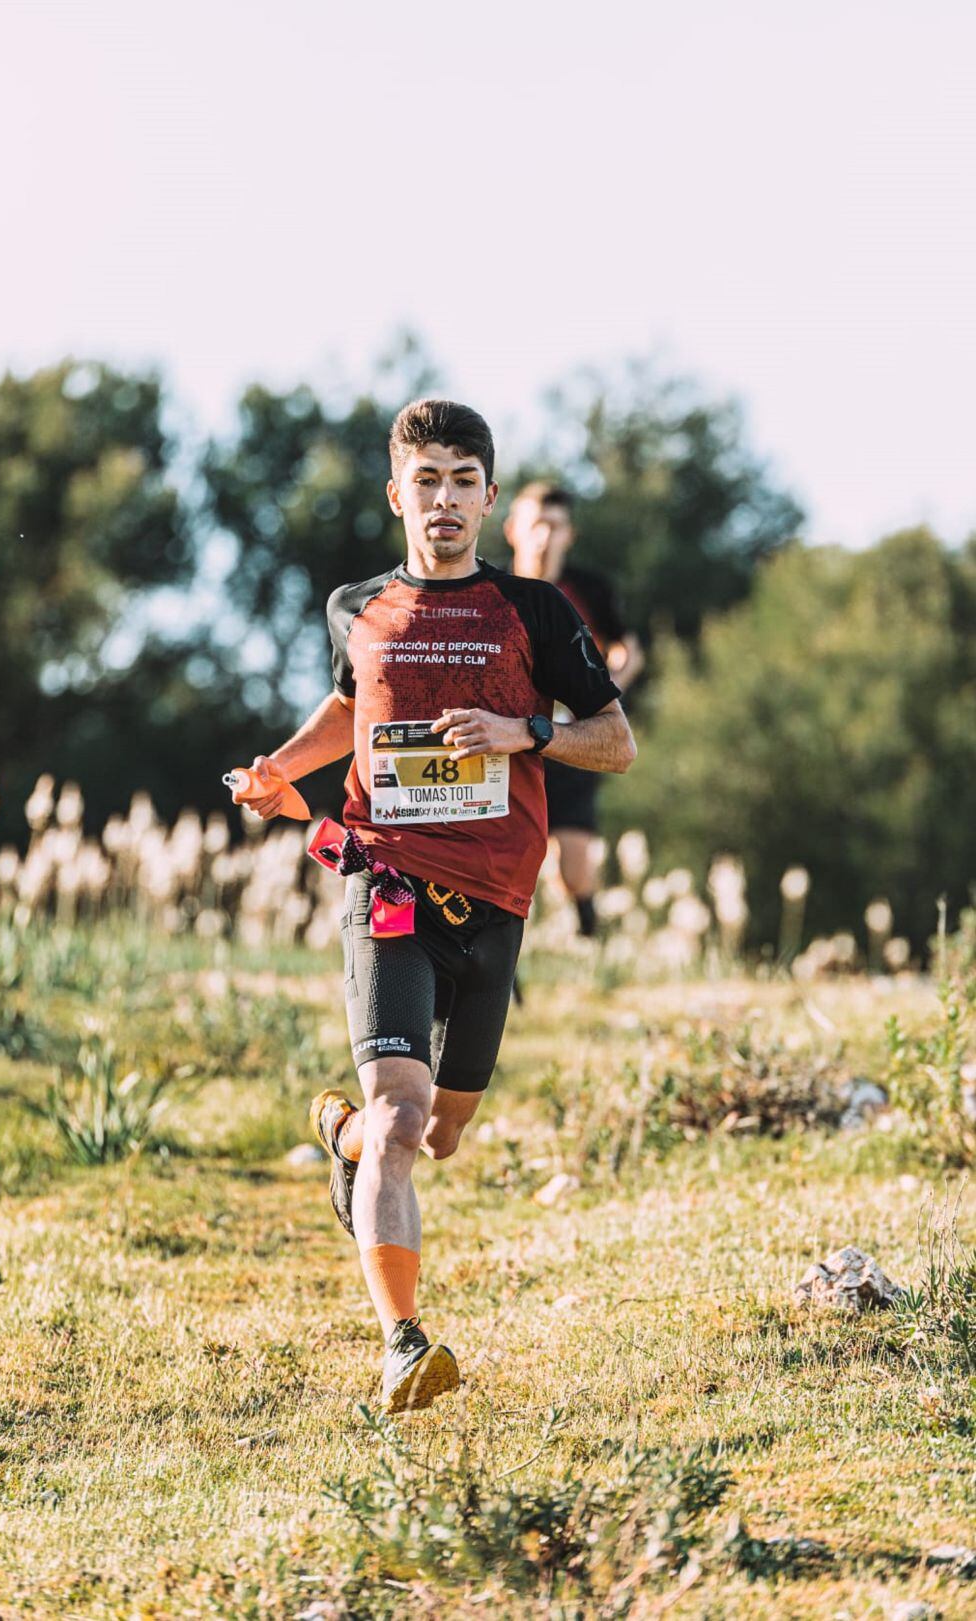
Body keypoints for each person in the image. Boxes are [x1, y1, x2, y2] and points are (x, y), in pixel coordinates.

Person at [241, 401, 636, 1413]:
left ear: (490, 497)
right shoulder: (356, 606)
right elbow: (349, 703)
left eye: (464, 479)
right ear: (397, 495)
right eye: (427, 480)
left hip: (498, 897)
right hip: (387, 885)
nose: (446, 499)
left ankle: (343, 1140)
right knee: (403, 1115)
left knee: (443, 1131)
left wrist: (523, 731)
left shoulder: (537, 612)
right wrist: (277, 772)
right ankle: (402, 1344)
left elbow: (615, 739)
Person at [504, 483, 644, 938]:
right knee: (503, 857)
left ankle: (589, 939)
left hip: (572, 741)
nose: (545, 536)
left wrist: (601, 698)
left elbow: (630, 650)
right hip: (508, 740)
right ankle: (498, 965)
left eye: (556, 526)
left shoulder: (589, 589)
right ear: (512, 531)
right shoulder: (493, 590)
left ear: (571, 535)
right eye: (536, 524)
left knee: (575, 864)